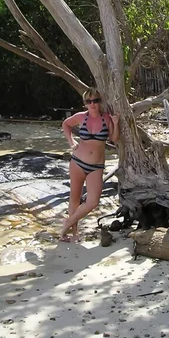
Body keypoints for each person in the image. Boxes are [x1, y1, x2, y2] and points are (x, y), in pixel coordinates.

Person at [60, 87, 120, 242]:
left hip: (96, 166)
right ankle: (73, 233)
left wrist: (115, 123)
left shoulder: (106, 118)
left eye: (96, 101)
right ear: (85, 103)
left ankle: (66, 224)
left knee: (92, 202)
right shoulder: (81, 117)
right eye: (89, 101)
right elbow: (66, 125)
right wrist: (71, 141)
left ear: (100, 102)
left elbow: (113, 138)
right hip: (78, 163)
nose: (92, 104)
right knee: (74, 198)